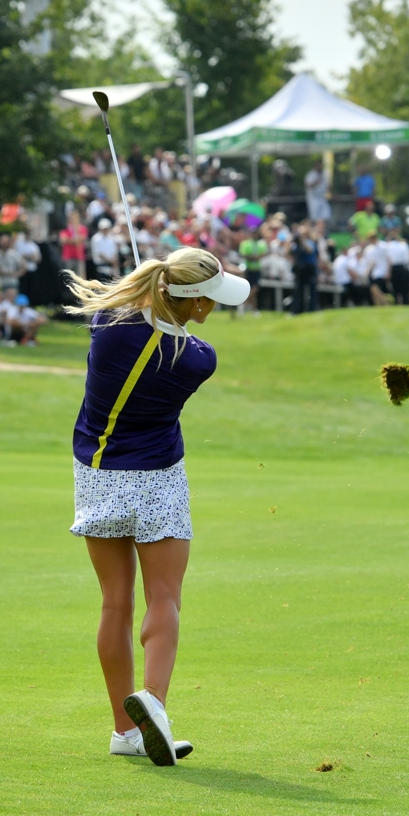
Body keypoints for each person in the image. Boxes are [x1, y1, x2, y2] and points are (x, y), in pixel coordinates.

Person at [64, 246, 249, 765]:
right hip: (159, 479)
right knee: (164, 596)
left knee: (114, 603)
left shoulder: (106, 321)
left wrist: (153, 295)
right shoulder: (198, 359)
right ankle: (156, 707)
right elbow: (172, 334)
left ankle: (125, 731)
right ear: (193, 304)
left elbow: (132, 308)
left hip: (98, 475)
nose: (214, 307)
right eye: (209, 299)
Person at [383, 230, 409, 305]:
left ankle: (397, 303)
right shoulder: (404, 244)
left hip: (394, 268)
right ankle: (406, 303)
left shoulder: (388, 245)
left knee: (396, 289)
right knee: (405, 289)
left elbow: (388, 259)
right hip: (404, 267)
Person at [60, 208, 89, 277]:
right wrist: (74, 241)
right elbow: (63, 240)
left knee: (80, 277)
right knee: (69, 278)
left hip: (79, 257)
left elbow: (81, 239)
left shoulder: (83, 228)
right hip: (68, 257)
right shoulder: (65, 229)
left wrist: (75, 231)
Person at [304, 158, 330, 226]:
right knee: (314, 217)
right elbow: (308, 185)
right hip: (313, 198)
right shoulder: (310, 175)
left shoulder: (324, 174)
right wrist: (318, 181)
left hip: (322, 197)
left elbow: (328, 186)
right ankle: (313, 232)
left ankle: (324, 232)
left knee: (326, 215)